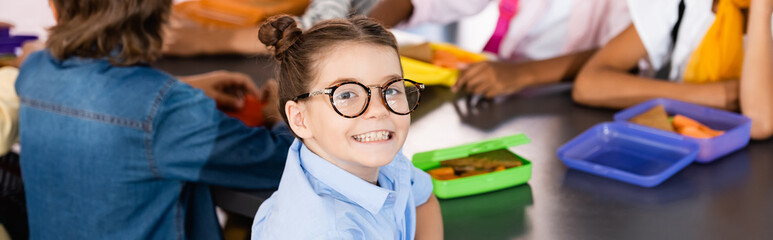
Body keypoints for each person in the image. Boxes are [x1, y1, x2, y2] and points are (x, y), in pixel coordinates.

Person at [15, 1, 294, 239]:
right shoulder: (166, 112)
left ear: (55, 7)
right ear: (161, 15)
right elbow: (279, 162)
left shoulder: (34, 71)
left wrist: (181, 87)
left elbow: (100, 97)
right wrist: (280, 112)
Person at [251, 15, 443, 239]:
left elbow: (423, 200)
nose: (379, 110)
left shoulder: (378, 154)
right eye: (347, 94)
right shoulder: (324, 230)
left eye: (390, 90)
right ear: (300, 119)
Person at [573, 0, 773, 140]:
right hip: (678, 153)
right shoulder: (683, 5)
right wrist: (717, 96)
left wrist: (761, 9)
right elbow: (588, 84)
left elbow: (759, 122)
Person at [368, 0, 630, 98]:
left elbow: (623, 55)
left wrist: (519, 74)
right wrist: (362, 35)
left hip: (570, 98)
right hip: (499, 85)